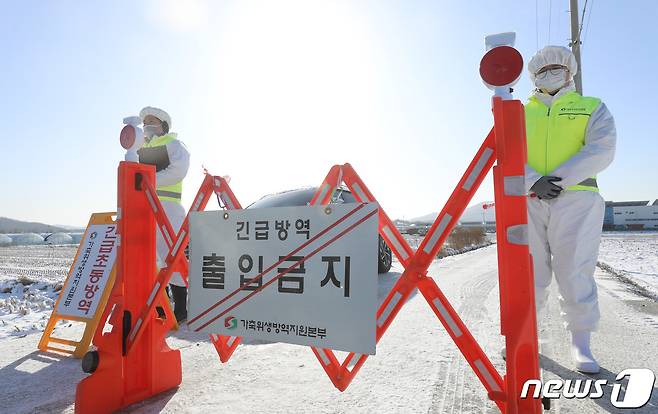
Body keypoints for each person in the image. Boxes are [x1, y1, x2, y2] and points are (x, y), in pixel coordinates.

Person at [523, 46, 616, 374]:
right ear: (534, 75)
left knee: (574, 271)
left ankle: (581, 344)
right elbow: (504, 152)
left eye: (555, 67)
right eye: (542, 68)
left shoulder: (591, 107)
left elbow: (602, 149)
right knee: (527, 274)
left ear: (569, 70)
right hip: (529, 200)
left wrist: (557, 181)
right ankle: (524, 340)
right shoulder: (520, 113)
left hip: (577, 199)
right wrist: (533, 181)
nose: (549, 72)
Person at [137, 106, 190, 322]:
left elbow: (179, 170)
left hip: (168, 207)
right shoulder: (140, 149)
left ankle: (180, 310)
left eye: (152, 121)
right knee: (151, 259)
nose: (147, 125)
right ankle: (161, 307)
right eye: (145, 122)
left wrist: (150, 181)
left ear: (163, 125)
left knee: (171, 257)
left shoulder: (174, 144)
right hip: (145, 207)